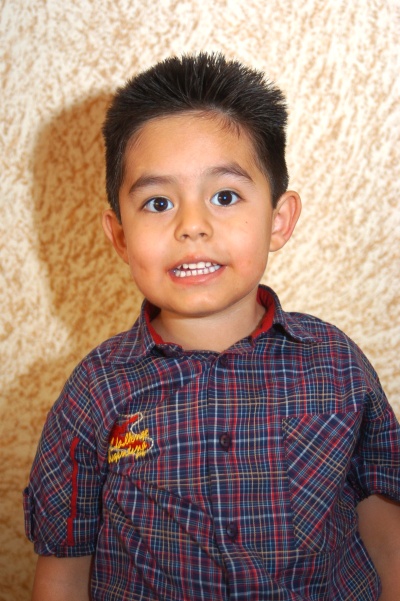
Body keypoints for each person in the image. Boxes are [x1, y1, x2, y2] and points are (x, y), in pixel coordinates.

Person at [24, 52, 400, 601]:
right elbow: (62, 572)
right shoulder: (96, 391)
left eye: (224, 197)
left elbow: (384, 527)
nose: (192, 226)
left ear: (278, 220)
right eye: (158, 202)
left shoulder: (336, 364)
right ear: (121, 235)